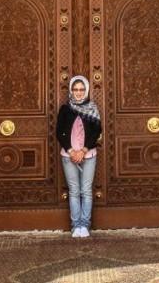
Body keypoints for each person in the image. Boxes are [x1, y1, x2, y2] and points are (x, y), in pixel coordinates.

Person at [56, 75, 101, 237]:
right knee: (74, 190)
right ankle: (76, 226)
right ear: (71, 91)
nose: (79, 93)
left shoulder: (92, 108)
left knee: (86, 191)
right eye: (75, 89)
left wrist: (82, 151)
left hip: (88, 155)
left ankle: (85, 225)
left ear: (86, 90)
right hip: (68, 156)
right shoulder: (65, 109)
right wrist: (71, 151)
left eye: (82, 89)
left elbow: (96, 132)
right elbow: (59, 133)